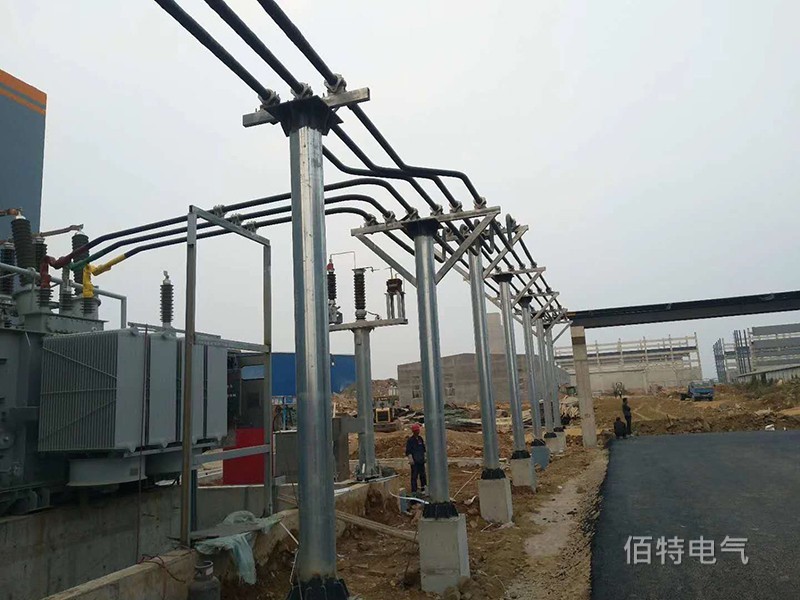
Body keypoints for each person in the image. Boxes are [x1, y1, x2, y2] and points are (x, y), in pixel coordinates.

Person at [405, 423, 427, 495]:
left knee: (423, 475)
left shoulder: (420, 439)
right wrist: (410, 459)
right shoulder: (410, 440)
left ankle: (424, 488)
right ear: (413, 431)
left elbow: (423, 449)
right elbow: (408, 451)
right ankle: (414, 490)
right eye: (416, 430)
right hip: (414, 462)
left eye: (418, 430)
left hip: (421, 460)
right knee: (414, 476)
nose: (417, 432)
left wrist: (424, 457)